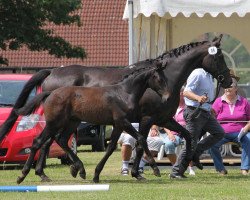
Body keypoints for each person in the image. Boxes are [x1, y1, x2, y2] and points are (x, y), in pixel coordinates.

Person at [170, 68, 226, 179]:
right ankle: (176, 172)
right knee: (191, 144)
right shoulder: (197, 73)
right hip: (195, 112)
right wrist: (198, 98)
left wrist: (209, 108)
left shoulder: (210, 75)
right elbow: (186, 92)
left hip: (205, 112)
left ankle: (196, 152)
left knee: (219, 133)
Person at [209, 72, 250, 175]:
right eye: (225, 86)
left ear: (236, 89)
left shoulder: (244, 102)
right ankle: (221, 169)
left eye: (230, 86)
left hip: (240, 133)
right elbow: (211, 118)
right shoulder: (218, 102)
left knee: (249, 140)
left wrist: (245, 129)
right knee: (210, 144)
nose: (227, 88)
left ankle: (245, 168)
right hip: (221, 133)